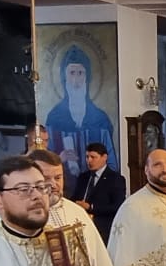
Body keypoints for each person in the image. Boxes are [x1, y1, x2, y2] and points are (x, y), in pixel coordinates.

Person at [46, 46, 117, 177]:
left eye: (80, 73)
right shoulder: (54, 118)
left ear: (87, 77)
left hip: (94, 189)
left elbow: (112, 165)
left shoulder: (100, 119)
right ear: (64, 77)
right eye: (72, 73)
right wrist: (60, 159)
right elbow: (45, 165)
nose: (76, 81)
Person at [70, 141, 126, 241]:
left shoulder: (116, 179)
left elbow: (118, 206)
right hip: (80, 227)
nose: (89, 161)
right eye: (87, 157)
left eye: (93, 157)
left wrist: (91, 207)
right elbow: (74, 198)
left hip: (103, 230)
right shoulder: (83, 177)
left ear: (104, 157)